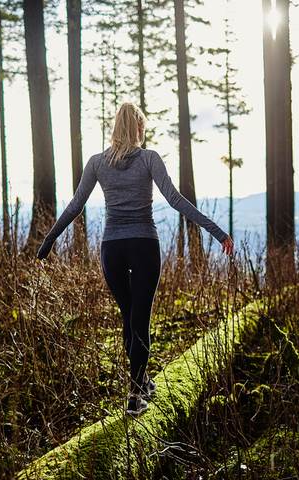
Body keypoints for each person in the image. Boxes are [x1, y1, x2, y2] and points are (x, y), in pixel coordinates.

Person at [36, 102, 234, 416]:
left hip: (112, 249)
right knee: (139, 319)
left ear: (116, 128)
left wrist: (49, 241)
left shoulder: (97, 162)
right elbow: (175, 199)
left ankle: (141, 380)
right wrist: (217, 232)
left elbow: (75, 205)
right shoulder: (149, 158)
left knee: (129, 316)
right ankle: (135, 395)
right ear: (139, 128)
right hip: (143, 245)